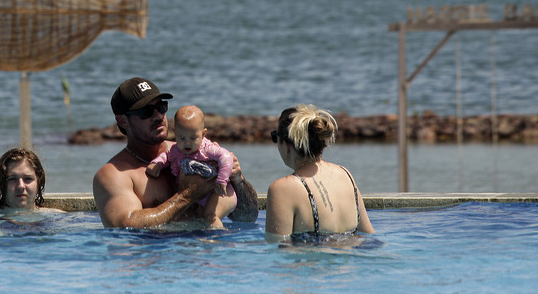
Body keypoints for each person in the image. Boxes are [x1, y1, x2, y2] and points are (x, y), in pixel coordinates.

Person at [92, 77, 258, 229]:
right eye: (146, 111)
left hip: (205, 254)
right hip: (156, 257)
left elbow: (247, 218)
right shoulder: (114, 175)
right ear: (122, 121)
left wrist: (238, 180)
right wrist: (187, 196)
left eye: (161, 107)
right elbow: (125, 226)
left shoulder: (194, 152)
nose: (158, 116)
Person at [265, 104, 375, 242]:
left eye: (275, 137)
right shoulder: (345, 175)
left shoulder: (282, 189)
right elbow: (368, 235)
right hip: (350, 260)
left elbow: (276, 246)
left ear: (286, 144)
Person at [146, 105, 236, 229]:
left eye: (193, 138)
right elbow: (165, 156)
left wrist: (222, 180)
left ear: (203, 134)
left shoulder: (206, 148)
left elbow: (226, 157)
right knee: (199, 218)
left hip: (220, 192)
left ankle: (217, 241)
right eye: (182, 138)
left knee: (210, 216)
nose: (187, 143)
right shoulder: (176, 150)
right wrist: (157, 164)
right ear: (175, 133)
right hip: (201, 195)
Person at [0, 147, 57, 212]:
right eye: (12, 179)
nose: (21, 186)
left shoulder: (57, 218)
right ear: (1, 183)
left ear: (39, 182)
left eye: (28, 178)